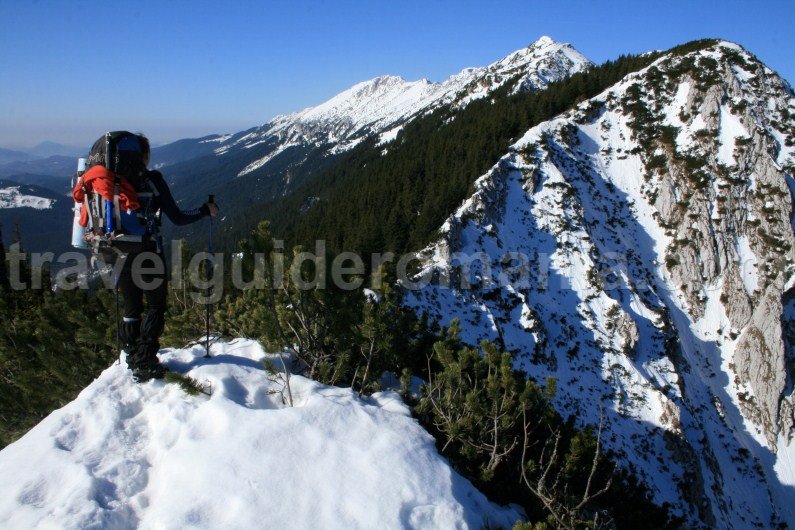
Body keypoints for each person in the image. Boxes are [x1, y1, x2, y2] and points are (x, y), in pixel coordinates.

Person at [78, 131, 218, 382]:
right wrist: (204, 211)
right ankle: (145, 361)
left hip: (112, 251)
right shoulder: (150, 180)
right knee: (155, 305)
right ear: (142, 155)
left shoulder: (99, 181)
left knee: (132, 307)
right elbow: (177, 216)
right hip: (147, 252)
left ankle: (132, 353)